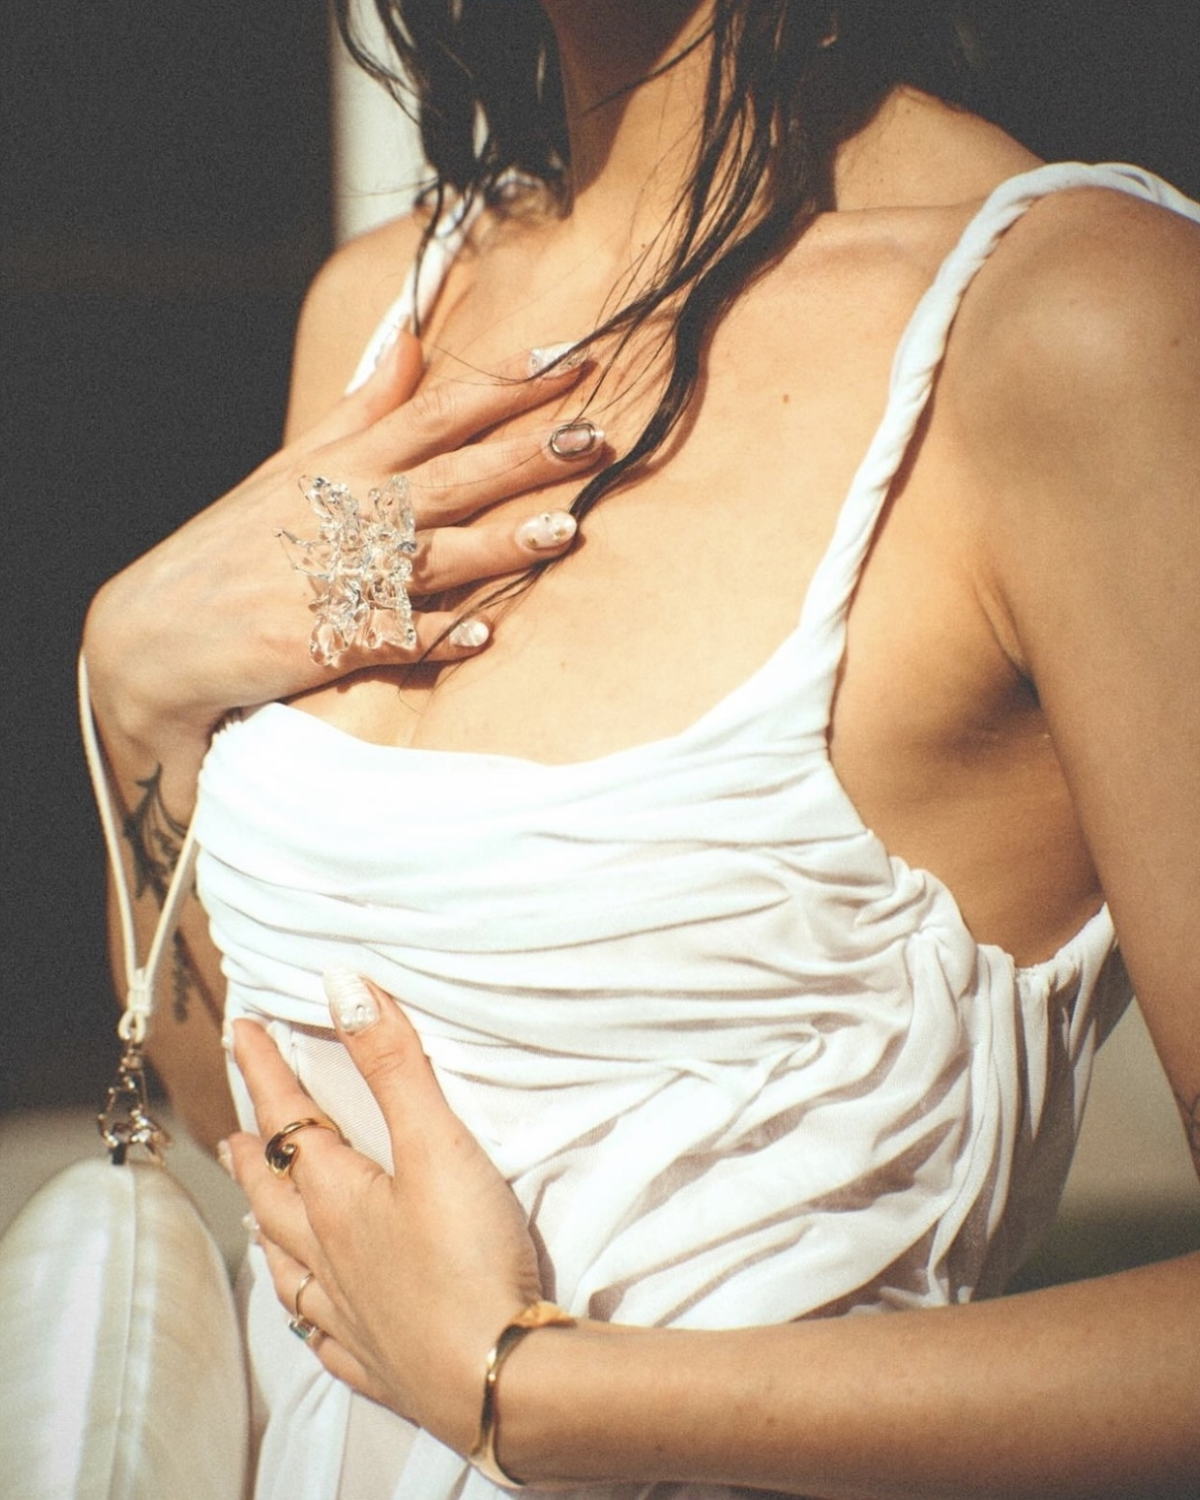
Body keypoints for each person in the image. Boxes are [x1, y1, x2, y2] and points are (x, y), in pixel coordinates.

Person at [82, 1, 1200, 1495]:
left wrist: (526, 1390)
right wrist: (134, 686)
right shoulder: (385, 308)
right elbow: (253, 1124)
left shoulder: (1079, 322)